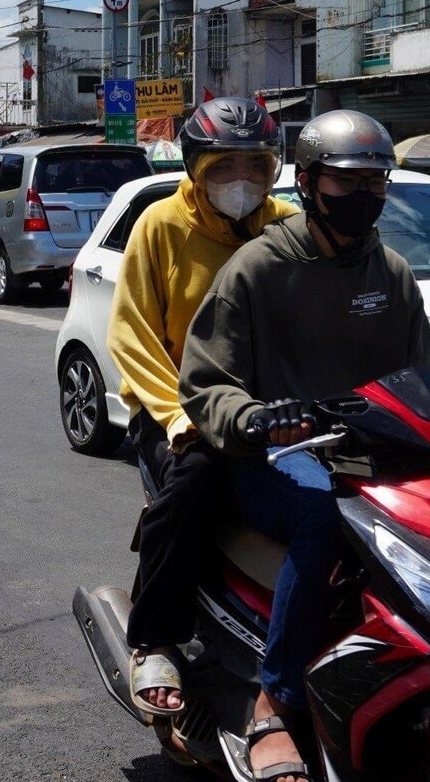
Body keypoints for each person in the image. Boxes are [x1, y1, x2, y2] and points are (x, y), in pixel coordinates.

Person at [179, 110, 430, 780]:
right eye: (348, 182)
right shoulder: (257, 269)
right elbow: (205, 384)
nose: (365, 198)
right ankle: (272, 700)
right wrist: (256, 418)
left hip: (370, 452)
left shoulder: (391, 272)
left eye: (377, 183)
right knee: (319, 516)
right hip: (276, 459)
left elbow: (423, 378)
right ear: (308, 183)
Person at [106, 96, 296, 719]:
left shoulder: (289, 226)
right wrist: (178, 418)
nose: (240, 179)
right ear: (195, 167)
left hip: (270, 414)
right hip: (180, 413)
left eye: (254, 165)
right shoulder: (160, 226)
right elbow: (132, 333)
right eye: (224, 166)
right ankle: (154, 636)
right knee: (194, 485)